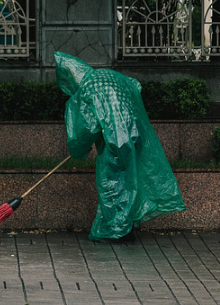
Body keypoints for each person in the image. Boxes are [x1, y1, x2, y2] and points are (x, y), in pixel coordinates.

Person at [54, 52, 186, 243]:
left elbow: (88, 127)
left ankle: (117, 231)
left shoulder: (87, 87)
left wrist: (78, 149)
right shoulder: (110, 75)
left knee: (111, 183)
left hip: (114, 139)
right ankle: (126, 226)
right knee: (129, 180)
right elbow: (135, 85)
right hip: (134, 131)